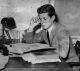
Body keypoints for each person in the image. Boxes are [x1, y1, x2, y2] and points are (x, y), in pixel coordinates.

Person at [22, 4, 79, 71]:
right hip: (56, 62)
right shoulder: (44, 31)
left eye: (45, 19)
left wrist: (45, 48)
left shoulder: (62, 30)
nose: (42, 22)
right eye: (40, 19)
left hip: (69, 65)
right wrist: (31, 27)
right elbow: (30, 43)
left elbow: (63, 54)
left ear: (52, 18)